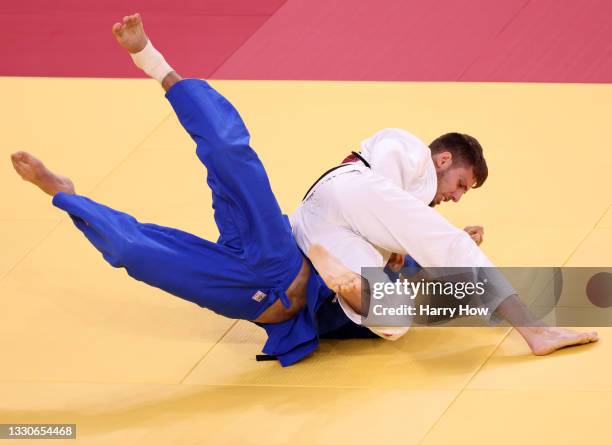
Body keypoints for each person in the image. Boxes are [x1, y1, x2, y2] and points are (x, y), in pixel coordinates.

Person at [10, 13, 360, 367]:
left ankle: (67, 197)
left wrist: (348, 283)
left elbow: (401, 310)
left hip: (242, 290)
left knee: (133, 251)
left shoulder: (409, 269)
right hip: (276, 250)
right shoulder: (377, 219)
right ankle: (151, 60)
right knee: (229, 154)